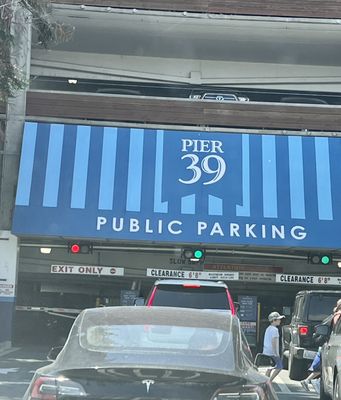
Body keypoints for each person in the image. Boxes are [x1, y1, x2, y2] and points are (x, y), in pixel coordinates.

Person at [300, 299, 341, 392]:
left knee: (322, 367)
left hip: (327, 344)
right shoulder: (338, 316)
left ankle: (311, 381)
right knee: (321, 368)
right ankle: (312, 381)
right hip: (328, 345)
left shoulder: (334, 315)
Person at [263, 311, 285, 381]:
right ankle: (270, 380)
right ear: (274, 320)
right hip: (272, 352)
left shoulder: (268, 328)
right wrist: (276, 353)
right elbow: (274, 342)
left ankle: (266, 380)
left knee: (270, 367)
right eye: (278, 319)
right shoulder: (275, 330)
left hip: (266, 351)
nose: (280, 320)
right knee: (279, 367)